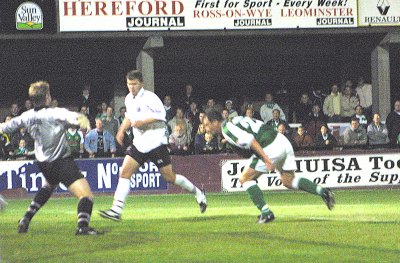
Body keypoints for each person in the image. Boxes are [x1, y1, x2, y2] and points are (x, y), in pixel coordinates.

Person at [98, 70, 207, 222]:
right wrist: (121, 130)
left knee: (169, 177)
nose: (131, 87)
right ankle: (116, 210)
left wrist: (143, 121)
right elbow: (129, 116)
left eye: (134, 84)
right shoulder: (129, 98)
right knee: (124, 172)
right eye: (129, 84)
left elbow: (161, 116)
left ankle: (198, 193)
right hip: (140, 143)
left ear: (141, 83)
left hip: (156, 143)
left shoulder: (151, 97)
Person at [0, 81, 102, 235]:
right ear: (47, 97)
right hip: (61, 161)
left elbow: (5, 127)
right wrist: (83, 120)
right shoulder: (55, 113)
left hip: (43, 163)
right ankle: (82, 227)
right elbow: (77, 118)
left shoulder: (27, 116)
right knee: (86, 196)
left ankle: (26, 218)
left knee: (48, 187)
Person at [203, 109, 335, 224]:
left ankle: (266, 213)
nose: (206, 129)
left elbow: (251, 141)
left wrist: (266, 159)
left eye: (207, 125)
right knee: (287, 180)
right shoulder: (233, 120)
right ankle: (323, 192)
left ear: (215, 121)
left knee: (245, 179)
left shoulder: (227, 129)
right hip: (281, 140)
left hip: (269, 146)